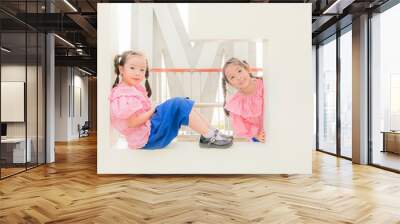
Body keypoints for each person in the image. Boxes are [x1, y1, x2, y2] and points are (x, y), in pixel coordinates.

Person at [109, 50, 233, 149]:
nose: (138, 73)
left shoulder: (132, 89)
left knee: (181, 103)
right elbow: (132, 123)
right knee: (177, 103)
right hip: (148, 138)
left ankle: (211, 132)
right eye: (132, 68)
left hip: (150, 130)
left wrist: (154, 110)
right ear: (121, 69)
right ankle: (209, 136)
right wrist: (152, 110)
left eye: (142, 70)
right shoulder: (124, 93)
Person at [222, 57, 265, 142]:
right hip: (258, 138)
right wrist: (256, 135)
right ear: (230, 84)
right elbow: (243, 128)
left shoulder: (264, 84)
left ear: (247, 69)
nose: (238, 77)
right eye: (232, 77)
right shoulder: (236, 104)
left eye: (239, 71)